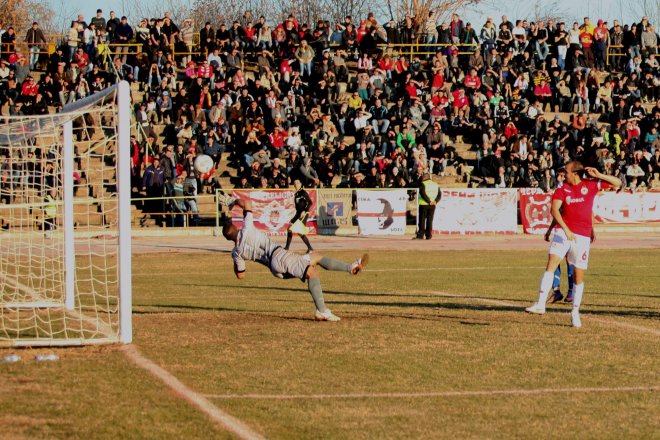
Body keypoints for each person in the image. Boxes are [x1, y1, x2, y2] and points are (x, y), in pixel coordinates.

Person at [219, 194, 368, 321]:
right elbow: (247, 203)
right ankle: (321, 310)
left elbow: (241, 275)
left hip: (274, 267)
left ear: (228, 238)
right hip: (280, 256)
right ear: (237, 227)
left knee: (315, 257)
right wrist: (233, 202)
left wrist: (236, 258)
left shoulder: (236, 252)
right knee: (312, 273)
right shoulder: (247, 227)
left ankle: (350, 267)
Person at [525, 161, 621, 328]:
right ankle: (541, 303)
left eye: (566, 173)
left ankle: (575, 312)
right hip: (563, 232)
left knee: (578, 276)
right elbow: (554, 210)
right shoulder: (562, 189)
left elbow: (618, 183)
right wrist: (563, 229)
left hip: (582, 237)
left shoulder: (591, 185)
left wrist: (598, 175)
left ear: (575, 173)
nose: (563, 176)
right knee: (551, 263)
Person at [285, 179, 313, 253]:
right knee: (290, 229)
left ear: (300, 184)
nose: (296, 184)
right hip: (298, 214)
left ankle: (310, 248)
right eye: (294, 183)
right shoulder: (296, 194)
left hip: (304, 214)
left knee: (297, 231)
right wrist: (294, 218)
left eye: (297, 183)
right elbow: (298, 209)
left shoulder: (303, 192)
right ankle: (287, 248)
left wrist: (305, 210)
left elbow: (310, 202)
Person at [415, 173, 441, 240]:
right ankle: (428, 235)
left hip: (424, 204)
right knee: (430, 220)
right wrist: (435, 201)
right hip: (432, 205)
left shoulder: (423, 184)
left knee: (422, 220)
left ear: (424, 177)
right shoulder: (435, 184)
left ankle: (420, 235)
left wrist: (429, 201)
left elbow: (423, 194)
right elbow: (439, 194)